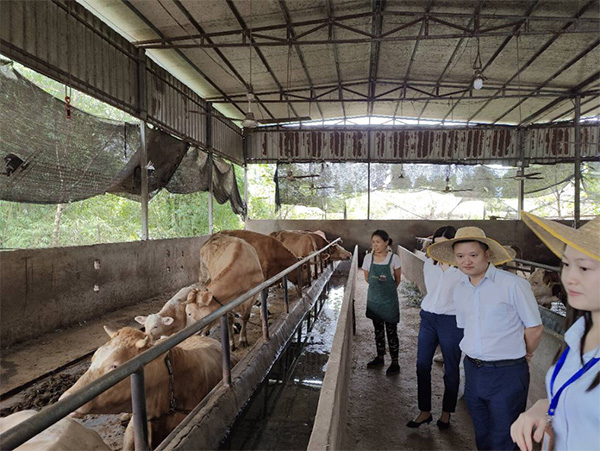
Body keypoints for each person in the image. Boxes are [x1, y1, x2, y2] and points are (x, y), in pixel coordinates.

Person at [428, 226, 543, 450]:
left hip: (507, 373)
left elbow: (535, 328)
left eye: (473, 255)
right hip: (473, 370)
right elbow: (465, 327)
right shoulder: (460, 288)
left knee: (506, 435)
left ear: (487, 254)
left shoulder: (513, 285)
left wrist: (525, 353)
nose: (466, 261)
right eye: (460, 256)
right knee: (481, 431)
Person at [510, 213, 600, 451]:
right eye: (566, 264)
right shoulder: (577, 334)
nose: (569, 277)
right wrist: (546, 406)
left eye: (584, 267)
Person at [407, 226, 464, 430]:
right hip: (429, 318)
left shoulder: (461, 270)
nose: (437, 247)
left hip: (452, 320)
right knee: (422, 365)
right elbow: (431, 291)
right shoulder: (429, 265)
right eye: (435, 242)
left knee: (451, 368)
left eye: (443, 243)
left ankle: (446, 413)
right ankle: (425, 411)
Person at [362, 229, 402, 375]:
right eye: (373, 242)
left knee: (391, 332)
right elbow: (367, 278)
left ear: (386, 242)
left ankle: (395, 362)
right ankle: (380, 357)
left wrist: (387, 291)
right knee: (378, 331)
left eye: (378, 242)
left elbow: (397, 279)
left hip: (389, 301)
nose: (375, 245)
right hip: (374, 300)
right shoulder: (368, 258)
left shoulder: (394, 258)